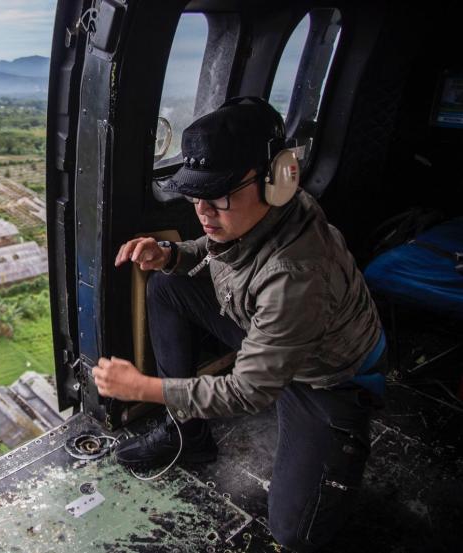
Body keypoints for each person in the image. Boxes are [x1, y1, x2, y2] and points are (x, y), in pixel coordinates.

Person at [92, 97, 386, 552]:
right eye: (195, 197)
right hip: (273, 338)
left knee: (295, 533)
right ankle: (188, 432)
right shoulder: (258, 216)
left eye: (219, 197)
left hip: (324, 376)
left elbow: (250, 391)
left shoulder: (297, 272)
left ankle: (343, 443)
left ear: (278, 180)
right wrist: (171, 256)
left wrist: (143, 389)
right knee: (166, 286)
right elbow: (221, 254)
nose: (204, 212)